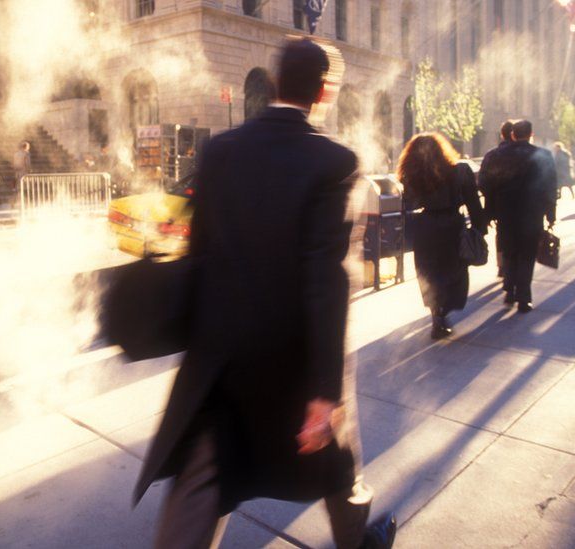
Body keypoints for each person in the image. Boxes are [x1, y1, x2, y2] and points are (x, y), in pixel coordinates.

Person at [133, 38, 396, 549]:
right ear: (325, 91)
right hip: (291, 355)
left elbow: (199, 249)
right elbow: (325, 277)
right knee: (335, 459)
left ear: (274, 84)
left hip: (222, 350)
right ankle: (357, 542)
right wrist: (325, 389)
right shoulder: (334, 160)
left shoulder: (221, 150)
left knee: (205, 473)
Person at [398, 133, 487, 339]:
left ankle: (436, 315)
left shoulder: (412, 175)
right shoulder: (460, 171)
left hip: (425, 228)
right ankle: (443, 312)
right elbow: (473, 203)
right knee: (453, 271)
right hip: (452, 227)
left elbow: (409, 204)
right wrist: (479, 229)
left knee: (429, 272)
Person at [479, 120, 557, 313]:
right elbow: (550, 187)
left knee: (509, 251)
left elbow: (484, 184)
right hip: (532, 213)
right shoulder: (543, 156)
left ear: (512, 134)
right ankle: (524, 296)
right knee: (527, 254)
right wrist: (550, 214)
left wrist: (490, 210)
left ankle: (509, 289)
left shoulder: (495, 155)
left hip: (506, 212)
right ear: (531, 134)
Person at [478, 120, 514, 279]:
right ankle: (513, 266)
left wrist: (490, 197)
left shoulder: (492, 155)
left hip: (497, 204)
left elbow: (483, 181)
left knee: (501, 234)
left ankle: (502, 265)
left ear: (502, 134)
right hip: (519, 206)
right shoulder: (523, 155)